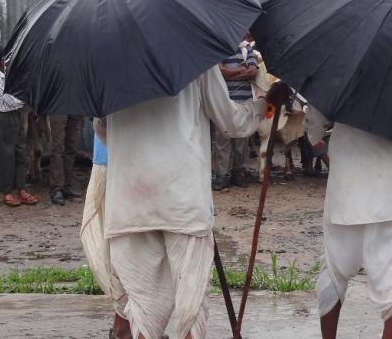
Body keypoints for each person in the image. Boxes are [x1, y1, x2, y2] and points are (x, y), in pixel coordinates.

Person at [98, 65, 285, 339]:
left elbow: (102, 130)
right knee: (191, 313)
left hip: (130, 201)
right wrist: (265, 105)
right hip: (182, 200)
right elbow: (232, 120)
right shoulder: (195, 56)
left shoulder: (107, 62)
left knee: (144, 315)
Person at [304, 105, 392, 339]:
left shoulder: (342, 67)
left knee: (334, 269)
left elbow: (313, 124)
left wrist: (321, 145)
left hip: (349, 179)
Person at [81, 123, 129, 338]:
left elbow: (101, 124)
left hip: (111, 161)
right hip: (122, 161)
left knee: (116, 243)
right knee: (124, 245)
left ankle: (125, 323)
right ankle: (125, 322)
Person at [0, 45, 39, 207]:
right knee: (6, 154)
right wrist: (26, 99)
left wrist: (23, 97)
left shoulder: (11, 76)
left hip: (18, 115)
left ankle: (21, 188)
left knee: (21, 152)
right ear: (1, 61)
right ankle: (7, 191)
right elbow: (11, 101)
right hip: (6, 117)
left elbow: (20, 94)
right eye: (7, 59)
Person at [212, 32, 259, 190]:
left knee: (241, 139)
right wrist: (242, 71)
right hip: (223, 101)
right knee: (222, 138)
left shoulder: (247, 49)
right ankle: (222, 175)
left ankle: (238, 173)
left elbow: (253, 71)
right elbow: (220, 72)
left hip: (244, 101)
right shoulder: (220, 47)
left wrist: (231, 72)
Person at [48, 114, 84, 205]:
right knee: (58, 147)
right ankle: (56, 188)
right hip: (58, 104)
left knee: (71, 147)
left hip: (75, 104)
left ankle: (67, 184)